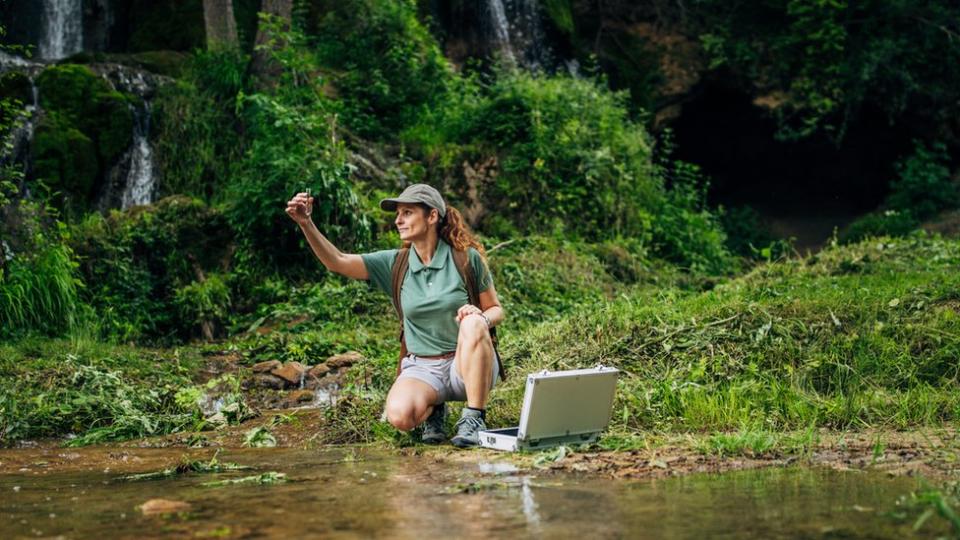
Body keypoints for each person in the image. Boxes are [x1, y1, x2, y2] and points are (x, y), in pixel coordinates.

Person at [285, 184, 505, 447]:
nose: (398, 220)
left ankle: (474, 417)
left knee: (472, 322)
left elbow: (496, 309)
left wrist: (479, 316)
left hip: (468, 366)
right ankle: (434, 409)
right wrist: (306, 223)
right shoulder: (395, 263)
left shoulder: (465, 259)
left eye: (408, 213)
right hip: (424, 369)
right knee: (399, 416)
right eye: (398, 213)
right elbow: (338, 261)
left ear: (432, 216)